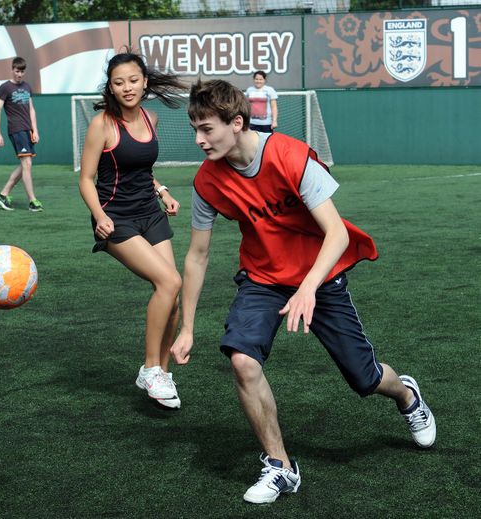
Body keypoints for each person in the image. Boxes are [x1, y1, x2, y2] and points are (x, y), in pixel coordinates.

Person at [171, 80, 436, 503]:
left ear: (236, 123)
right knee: (242, 359)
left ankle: (407, 393)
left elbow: (336, 234)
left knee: (364, 379)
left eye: (207, 130)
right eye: (196, 130)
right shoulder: (207, 182)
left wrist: (309, 286)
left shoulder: (290, 156)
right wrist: (186, 328)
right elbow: (197, 256)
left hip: (319, 276)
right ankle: (280, 466)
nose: (199, 140)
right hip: (262, 278)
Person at [78, 51, 186, 409]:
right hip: (116, 218)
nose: (127, 87)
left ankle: (162, 375)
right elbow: (86, 179)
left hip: (149, 213)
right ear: (110, 87)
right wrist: (98, 215)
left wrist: (162, 191)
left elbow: (142, 170)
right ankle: (150, 366)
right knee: (168, 282)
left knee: (175, 294)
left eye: (133, 80)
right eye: (118, 82)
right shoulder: (102, 124)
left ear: (145, 82)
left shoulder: (150, 117)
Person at [0, 57, 43, 212]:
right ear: (12, 69)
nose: (19, 74)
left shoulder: (27, 87)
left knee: (25, 165)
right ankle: (32, 201)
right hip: (16, 129)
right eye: (17, 71)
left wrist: (35, 130)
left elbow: (31, 109)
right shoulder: (5, 87)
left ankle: (3, 194)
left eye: (22, 71)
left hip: (27, 130)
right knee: (27, 164)